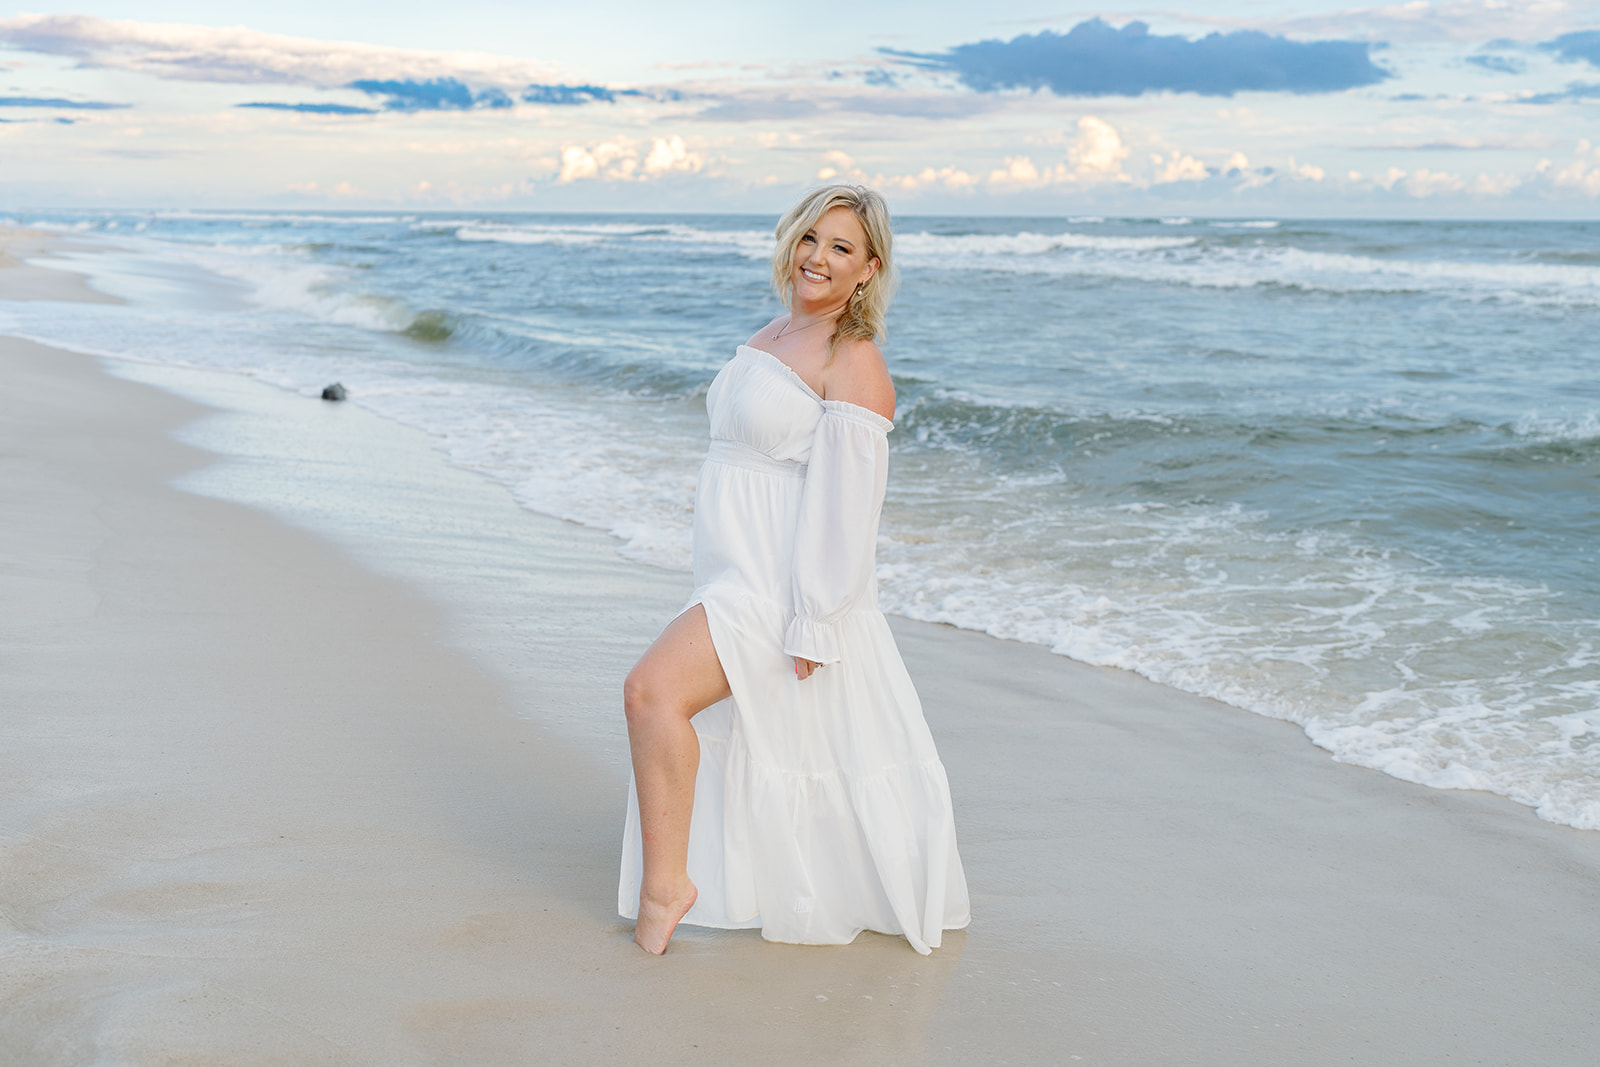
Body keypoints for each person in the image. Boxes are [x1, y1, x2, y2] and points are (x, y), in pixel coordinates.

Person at [619, 184, 970, 956]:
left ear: (869, 269)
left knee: (651, 693)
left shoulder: (855, 360)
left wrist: (814, 617)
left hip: (774, 585)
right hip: (727, 568)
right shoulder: (771, 333)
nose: (818, 256)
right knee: (674, 705)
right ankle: (685, 879)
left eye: (841, 247)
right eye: (811, 237)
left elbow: (848, 510)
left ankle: (666, 887)